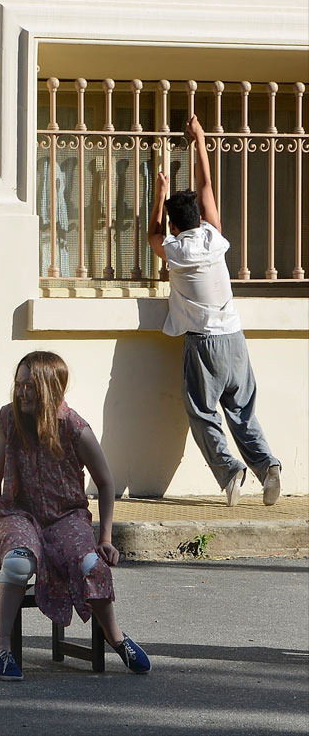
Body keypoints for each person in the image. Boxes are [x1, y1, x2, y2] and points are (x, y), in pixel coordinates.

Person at [0, 351, 150, 681]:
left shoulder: (74, 427)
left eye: (29, 386)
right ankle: (2, 646)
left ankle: (117, 638)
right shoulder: (8, 420)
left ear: (50, 388)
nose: (22, 393)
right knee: (17, 562)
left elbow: (105, 481)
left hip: (67, 517)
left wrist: (105, 538)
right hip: (19, 515)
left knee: (90, 564)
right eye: (18, 385)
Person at [147, 115, 282, 507]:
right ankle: (267, 464)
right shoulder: (215, 237)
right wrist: (201, 139)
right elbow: (206, 185)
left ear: (175, 226)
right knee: (241, 410)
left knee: (203, 413)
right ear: (201, 221)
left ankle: (230, 471)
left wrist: (159, 191)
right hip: (235, 337)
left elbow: (153, 233)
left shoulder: (174, 250)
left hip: (203, 343)